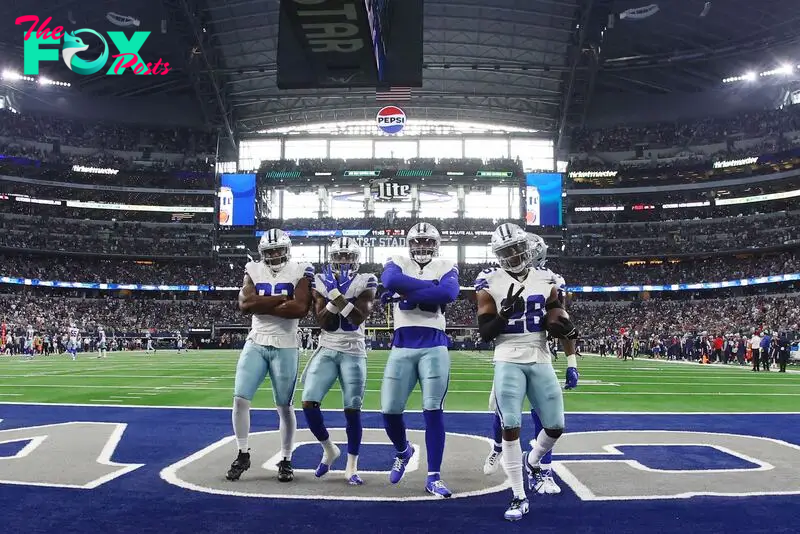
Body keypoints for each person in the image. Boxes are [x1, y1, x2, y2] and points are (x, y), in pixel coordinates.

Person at [475, 224, 578, 521]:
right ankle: (518, 495)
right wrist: (504, 315)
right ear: (497, 255)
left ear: (528, 247)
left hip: (540, 354)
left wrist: (565, 328)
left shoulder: (547, 278)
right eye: (506, 252)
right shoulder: (489, 281)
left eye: (517, 248)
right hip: (507, 355)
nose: (514, 255)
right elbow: (485, 333)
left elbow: (557, 317)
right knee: (510, 425)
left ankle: (533, 460)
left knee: (556, 426)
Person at [226, 229, 314, 483]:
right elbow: (245, 306)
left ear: (287, 250)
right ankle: (243, 453)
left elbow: (298, 309)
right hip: (256, 342)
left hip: (286, 345)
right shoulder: (253, 269)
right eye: (269, 251)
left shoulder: (300, 269)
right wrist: (282, 297)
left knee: (284, 406)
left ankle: (286, 458)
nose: (274, 255)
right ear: (261, 253)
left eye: (278, 250)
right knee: (240, 399)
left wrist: (263, 301)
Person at [379, 222, 459, 498]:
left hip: (434, 345)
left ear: (436, 245)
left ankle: (433, 477)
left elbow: (448, 294)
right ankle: (403, 450)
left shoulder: (446, 263)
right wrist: (429, 288)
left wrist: (407, 291)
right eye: (418, 241)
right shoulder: (396, 260)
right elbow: (390, 282)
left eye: (428, 242)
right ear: (409, 244)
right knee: (389, 411)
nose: (423, 246)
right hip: (402, 345)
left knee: (433, 411)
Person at [302, 237, 377, 486]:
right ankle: (329, 449)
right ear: (332, 258)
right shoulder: (321, 280)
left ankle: (352, 466)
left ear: (356, 259)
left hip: (354, 351)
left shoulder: (367, 280)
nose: (343, 261)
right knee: (308, 402)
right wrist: (336, 296)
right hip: (327, 347)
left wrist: (337, 296)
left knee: (352, 410)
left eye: (348, 257)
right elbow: (325, 322)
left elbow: (357, 317)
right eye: (339, 256)